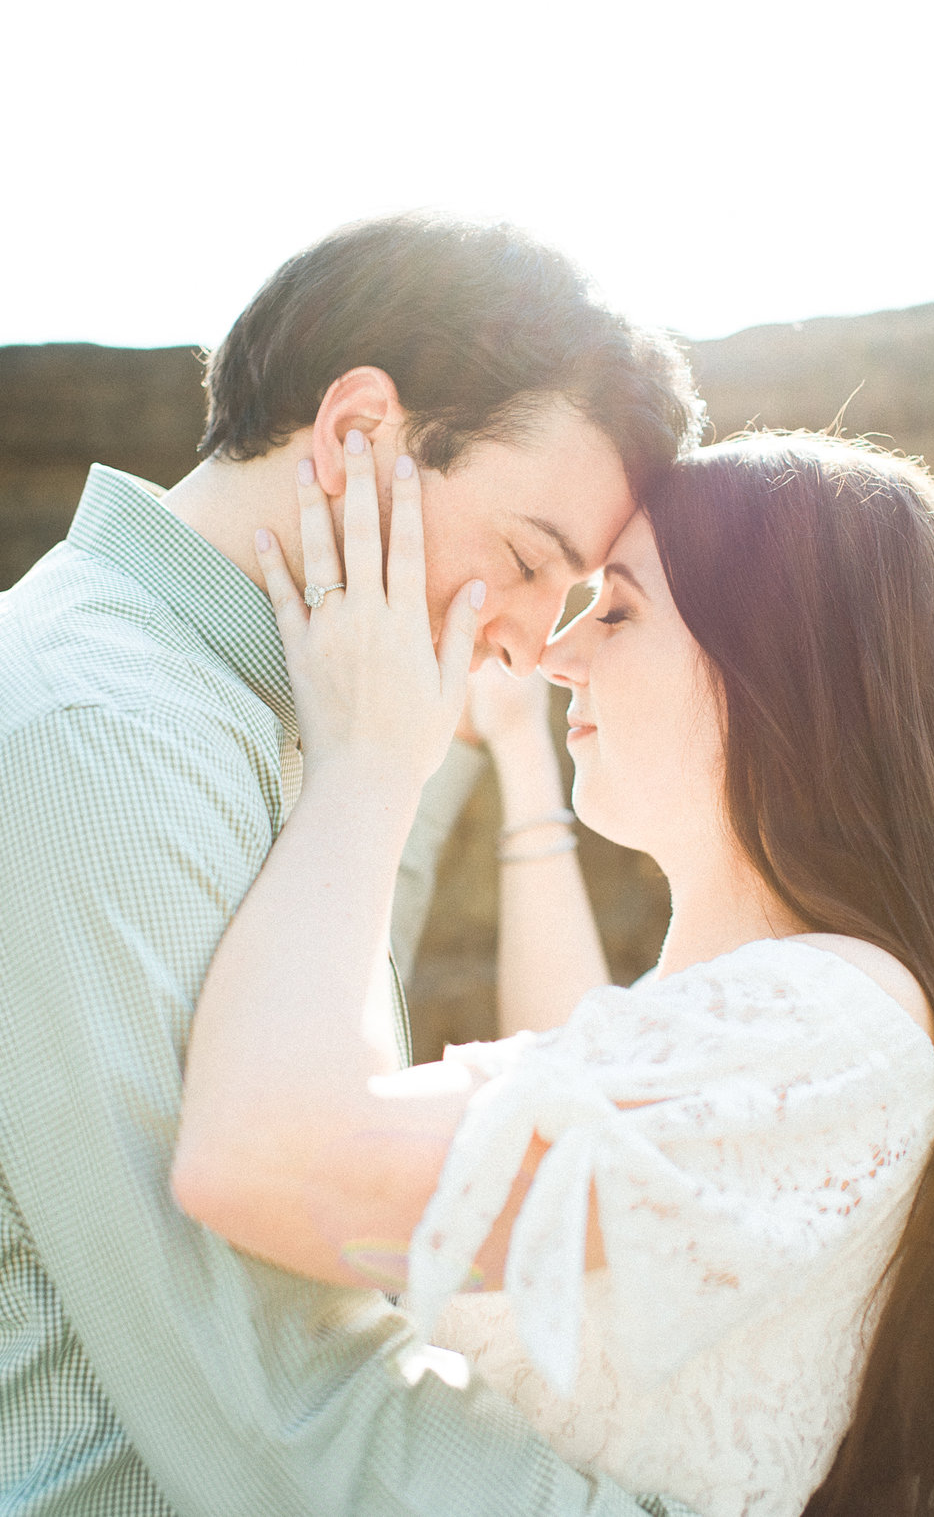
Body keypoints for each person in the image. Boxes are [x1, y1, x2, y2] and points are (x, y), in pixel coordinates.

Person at [174, 430, 934, 1517]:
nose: (557, 654)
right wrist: (523, 761)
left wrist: (369, 764)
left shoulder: (835, 1021)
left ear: (784, 667)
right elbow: (573, 1056)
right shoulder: (785, 1013)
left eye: (615, 610)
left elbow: (256, 1161)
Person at [0, 214, 703, 1516]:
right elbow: (280, 1401)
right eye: (528, 560)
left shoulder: (271, 725)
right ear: (358, 432)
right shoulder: (96, 736)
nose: (521, 645)